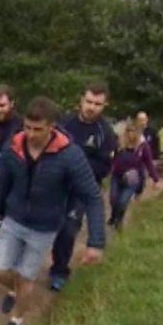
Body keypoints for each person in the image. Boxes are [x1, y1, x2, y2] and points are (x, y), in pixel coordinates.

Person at [0, 96, 107, 325]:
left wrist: (96, 242)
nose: (30, 134)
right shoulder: (13, 148)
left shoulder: (70, 155)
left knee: (27, 277)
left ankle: (17, 319)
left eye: (37, 129)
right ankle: (14, 290)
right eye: (27, 127)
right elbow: (1, 184)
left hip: (44, 227)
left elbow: (92, 196)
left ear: (51, 127)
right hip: (14, 219)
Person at [48, 81, 117, 292]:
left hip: (81, 189)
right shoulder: (64, 123)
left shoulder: (105, 133)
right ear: (81, 100)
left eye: (97, 103)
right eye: (89, 101)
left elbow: (104, 167)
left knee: (68, 229)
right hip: (56, 183)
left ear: (104, 105)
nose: (91, 107)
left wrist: (77, 168)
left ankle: (59, 270)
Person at [109, 118, 161, 230]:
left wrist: (155, 179)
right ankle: (114, 215)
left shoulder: (142, 147)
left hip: (132, 178)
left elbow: (149, 163)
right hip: (117, 176)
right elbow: (112, 158)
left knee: (123, 201)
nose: (130, 134)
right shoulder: (119, 144)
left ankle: (119, 221)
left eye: (133, 131)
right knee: (113, 198)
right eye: (128, 131)